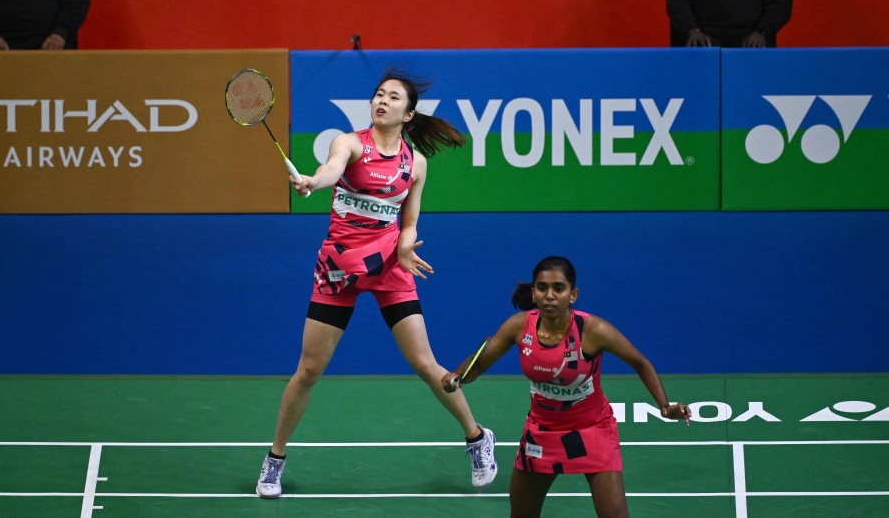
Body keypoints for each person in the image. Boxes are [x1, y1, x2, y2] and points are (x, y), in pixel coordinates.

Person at [255, 71, 498, 498]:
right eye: (379, 94)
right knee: (309, 369)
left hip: (390, 267)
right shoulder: (349, 143)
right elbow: (331, 170)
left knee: (425, 364)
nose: (382, 101)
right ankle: (274, 460)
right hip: (339, 268)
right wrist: (313, 180)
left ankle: (477, 438)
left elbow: (409, 221)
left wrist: (405, 248)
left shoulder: (415, 163)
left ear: (409, 112)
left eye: (393, 97)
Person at [441, 256, 691, 518]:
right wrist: (457, 376)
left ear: (573, 295)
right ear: (534, 293)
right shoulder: (519, 326)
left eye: (558, 288)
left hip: (593, 430)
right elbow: (478, 364)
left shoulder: (592, 330)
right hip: (542, 432)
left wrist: (664, 406)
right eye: (542, 287)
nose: (549, 295)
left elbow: (640, 362)